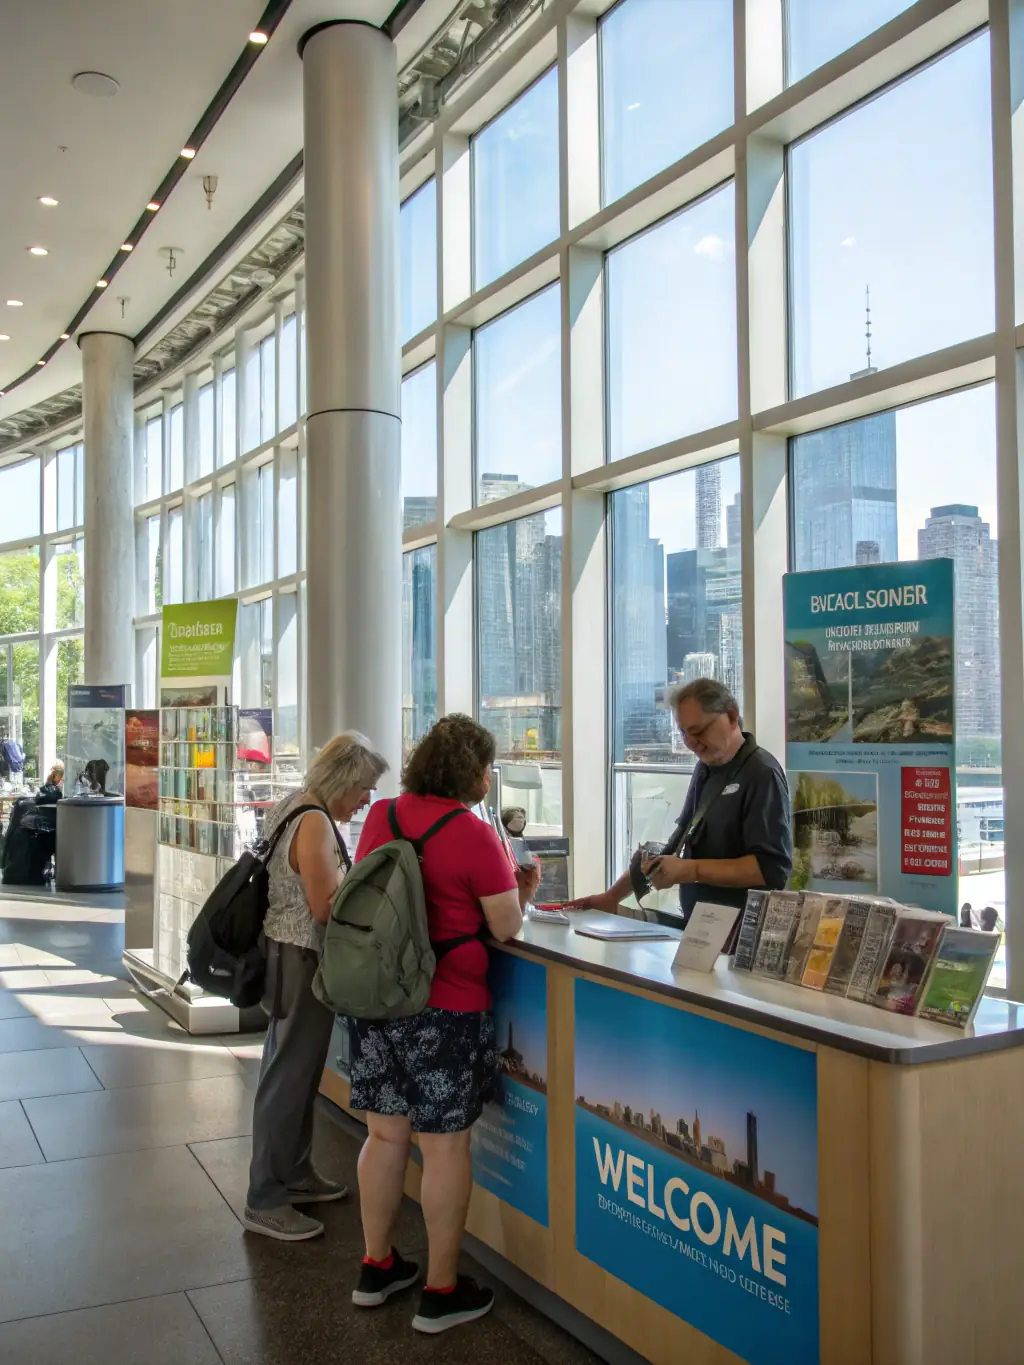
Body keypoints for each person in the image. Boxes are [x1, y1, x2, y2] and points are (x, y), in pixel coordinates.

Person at [349, 714, 539, 1334]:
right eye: (486, 766)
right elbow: (507, 926)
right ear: (473, 773)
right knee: (443, 1146)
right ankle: (440, 1289)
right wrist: (523, 889)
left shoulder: (382, 816)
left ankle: (376, 1267)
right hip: (447, 1007)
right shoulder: (473, 835)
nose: (489, 777)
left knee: (383, 1138)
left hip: (380, 1002)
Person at [244, 731, 389, 1243]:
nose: (366, 799)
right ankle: (264, 1196)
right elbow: (326, 906)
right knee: (286, 1077)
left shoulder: (294, 804)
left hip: (287, 955)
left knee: (295, 1073)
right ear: (346, 778)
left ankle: (295, 1174)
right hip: (300, 957)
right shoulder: (314, 822)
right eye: (364, 788)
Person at [572, 678, 792, 929]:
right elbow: (678, 843)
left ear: (731, 716)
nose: (690, 742)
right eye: (683, 732)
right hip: (699, 928)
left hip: (740, 936)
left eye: (698, 731)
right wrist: (611, 897)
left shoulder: (761, 773)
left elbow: (772, 869)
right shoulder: (706, 768)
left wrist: (692, 871)